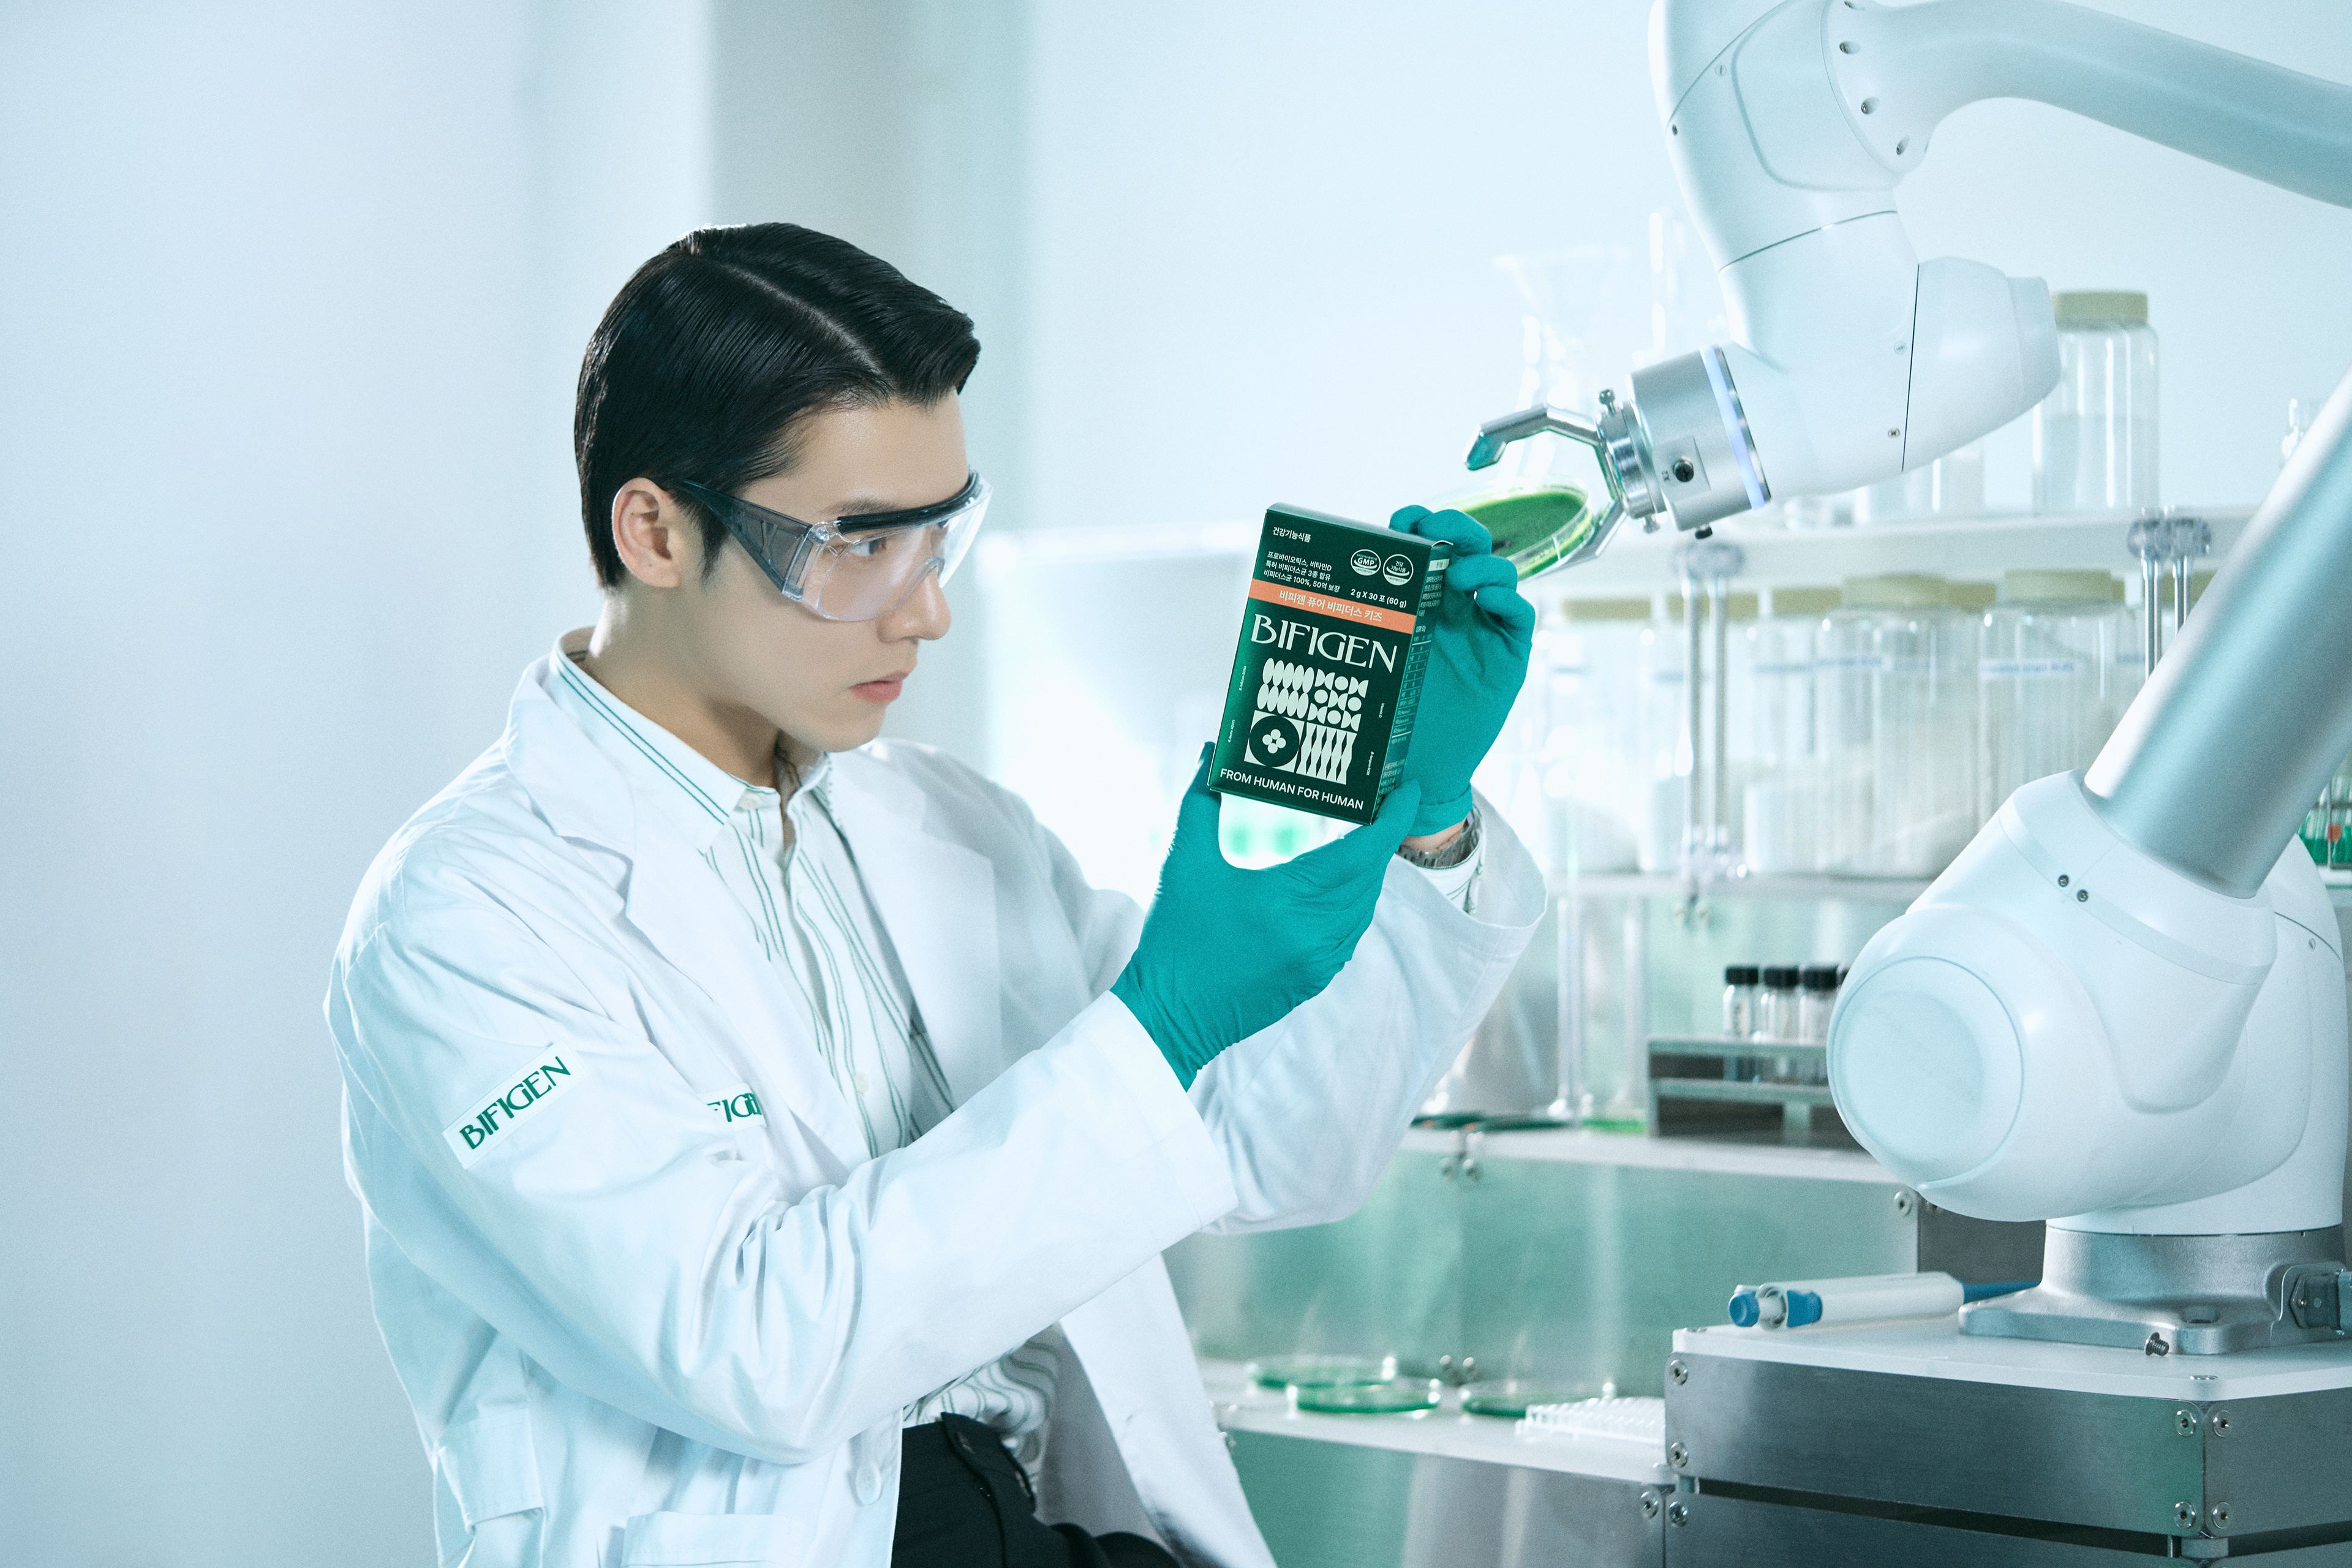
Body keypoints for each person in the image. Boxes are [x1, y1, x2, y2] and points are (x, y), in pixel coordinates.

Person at [326, 223, 1541, 1568]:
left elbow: (1273, 1149)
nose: (924, 614)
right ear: (656, 531)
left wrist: (1424, 820)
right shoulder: (465, 918)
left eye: (939, 535)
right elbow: (751, 1349)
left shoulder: (949, 825)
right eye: (858, 545)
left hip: (1026, 1518)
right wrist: (1158, 1019)